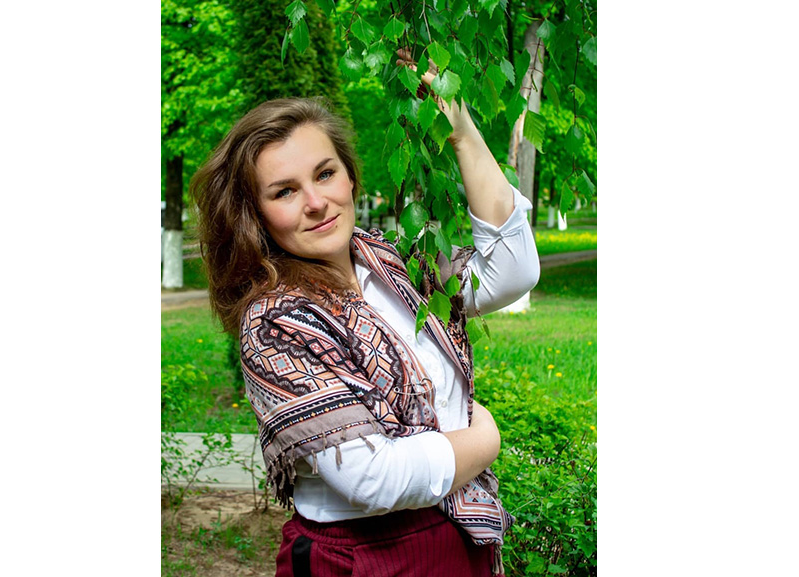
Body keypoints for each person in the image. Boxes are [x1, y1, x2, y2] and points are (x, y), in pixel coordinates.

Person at [190, 50, 540, 577]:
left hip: (454, 538)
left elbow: (511, 271)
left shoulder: (392, 264)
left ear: (350, 178)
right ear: (255, 215)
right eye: (285, 191)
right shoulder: (276, 321)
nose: (316, 201)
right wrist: (484, 440)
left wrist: (461, 132)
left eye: (325, 173)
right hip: (360, 557)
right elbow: (374, 479)